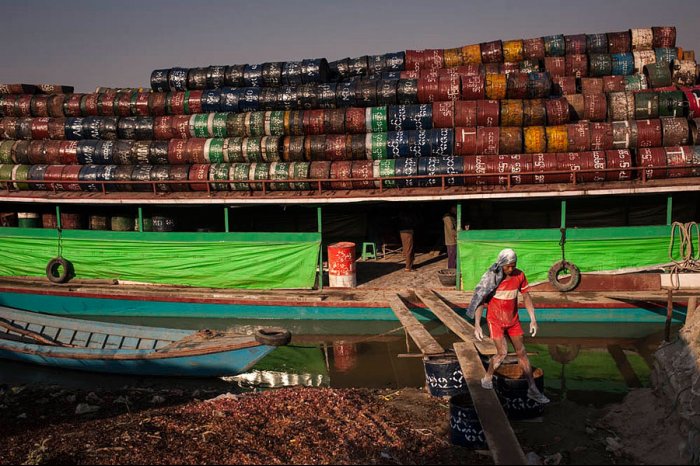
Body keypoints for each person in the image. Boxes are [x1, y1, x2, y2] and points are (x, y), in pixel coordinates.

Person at [471, 248, 550, 404]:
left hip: (513, 320)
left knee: (522, 352)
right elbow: (480, 300)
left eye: (513, 265)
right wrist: (477, 324)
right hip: (496, 321)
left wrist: (533, 319)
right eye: (508, 266)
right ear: (501, 264)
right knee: (502, 353)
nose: (511, 269)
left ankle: (533, 390)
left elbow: (526, 296)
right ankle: (487, 378)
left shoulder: (519, 275)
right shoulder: (492, 278)